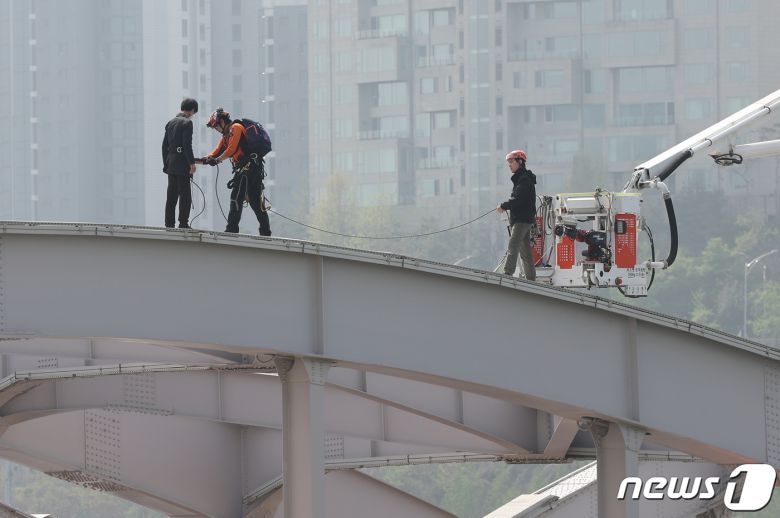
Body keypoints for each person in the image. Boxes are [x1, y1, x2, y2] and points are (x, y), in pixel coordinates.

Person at [201, 107, 272, 236]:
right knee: (255, 202)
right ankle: (265, 232)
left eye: (216, 126)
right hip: (250, 169)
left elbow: (230, 150)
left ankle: (232, 229)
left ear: (222, 122)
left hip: (248, 169)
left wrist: (217, 161)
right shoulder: (226, 135)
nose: (217, 130)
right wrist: (204, 160)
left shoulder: (236, 128)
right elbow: (217, 151)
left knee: (236, 197)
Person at [497, 149, 537, 280]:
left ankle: (508, 273)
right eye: (508, 162)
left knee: (513, 244)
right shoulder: (522, 178)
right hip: (524, 219)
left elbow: (518, 199)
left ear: (520, 162)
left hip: (521, 219)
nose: (509, 165)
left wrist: (504, 206)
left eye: (511, 162)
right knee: (525, 252)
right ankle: (531, 279)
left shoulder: (524, 179)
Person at [162, 98, 199, 229]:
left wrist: (165, 164)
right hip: (182, 164)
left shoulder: (170, 123)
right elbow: (186, 145)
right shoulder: (187, 123)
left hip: (171, 164)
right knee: (185, 195)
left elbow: (164, 146)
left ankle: (169, 224)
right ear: (192, 110)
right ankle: (183, 223)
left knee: (171, 196)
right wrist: (191, 163)